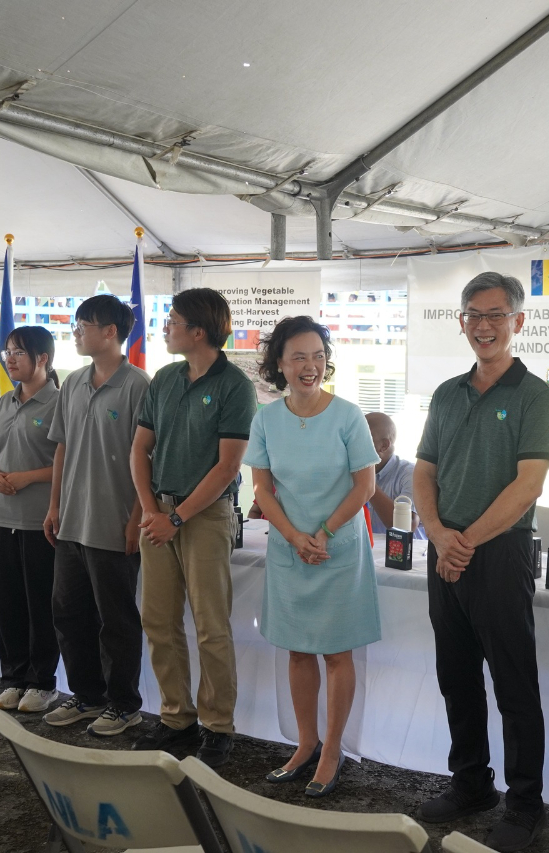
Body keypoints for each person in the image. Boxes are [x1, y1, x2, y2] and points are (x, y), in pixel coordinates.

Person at [414, 272, 549, 853]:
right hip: (444, 547)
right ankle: (471, 783)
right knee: (456, 676)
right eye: (474, 314)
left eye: (496, 315)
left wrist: (464, 541)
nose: (484, 325)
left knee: (514, 683)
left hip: (498, 552)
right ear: (461, 322)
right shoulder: (447, 393)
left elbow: (529, 485)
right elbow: (424, 472)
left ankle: (525, 804)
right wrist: (437, 534)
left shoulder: (536, 395)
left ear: (517, 322)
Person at [244, 315, 379, 798]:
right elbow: (262, 488)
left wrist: (321, 533)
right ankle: (305, 743)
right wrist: (295, 537)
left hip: (337, 549)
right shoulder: (266, 419)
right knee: (298, 650)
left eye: (318, 356)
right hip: (290, 549)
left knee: (337, 653)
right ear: (279, 364)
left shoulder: (347, 416)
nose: (310, 366)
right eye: (299, 357)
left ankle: (332, 750)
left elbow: (365, 486)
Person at [130, 289, 256, 766]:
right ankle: (175, 719)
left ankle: (218, 726)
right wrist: (151, 511)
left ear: (198, 331)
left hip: (205, 516)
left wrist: (177, 518)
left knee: (210, 625)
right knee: (158, 620)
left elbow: (228, 468)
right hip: (159, 513)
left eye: (173, 320)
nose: (165, 327)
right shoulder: (165, 378)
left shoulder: (234, 386)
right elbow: (139, 448)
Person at [42, 295, 150, 737]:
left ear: (110, 332)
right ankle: (87, 696)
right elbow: (62, 447)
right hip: (72, 521)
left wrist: (137, 516)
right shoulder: (72, 382)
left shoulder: (138, 385)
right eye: (76, 325)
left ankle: (124, 705)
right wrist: (54, 505)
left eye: (83, 325)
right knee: (68, 613)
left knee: (116, 620)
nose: (76, 332)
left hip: (114, 521)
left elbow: (148, 458)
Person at [0, 327, 62, 714]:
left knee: (40, 605)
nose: (9, 359)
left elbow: (68, 462)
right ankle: (13, 678)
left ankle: (42, 682)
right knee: (8, 602)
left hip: (39, 521)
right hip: (1, 518)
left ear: (42, 358)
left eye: (18, 352)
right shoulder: (5, 401)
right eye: (7, 352)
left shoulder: (59, 403)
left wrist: (28, 477)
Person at [364, 412, 424, 539]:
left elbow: (406, 526)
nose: (354, 445)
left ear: (384, 445)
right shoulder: (349, 472)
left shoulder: (410, 473)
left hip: (408, 550)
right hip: (370, 548)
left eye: (362, 438)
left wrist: (368, 483)